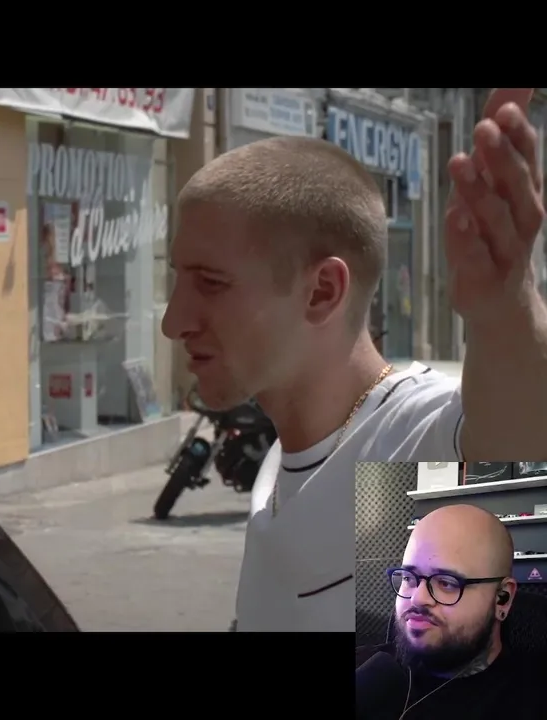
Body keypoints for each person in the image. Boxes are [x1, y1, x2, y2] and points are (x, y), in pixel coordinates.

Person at [162, 88, 547, 632]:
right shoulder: (276, 467)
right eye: (176, 279)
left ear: (322, 291)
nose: (173, 321)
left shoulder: (410, 444)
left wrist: (507, 308)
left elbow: (516, 436)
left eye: (210, 283)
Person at [355, 505, 538, 719]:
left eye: (446, 582)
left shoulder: (533, 699)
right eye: (408, 578)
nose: (417, 598)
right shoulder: (364, 668)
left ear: (502, 598)